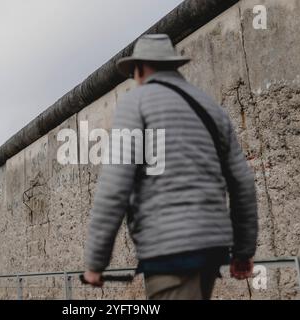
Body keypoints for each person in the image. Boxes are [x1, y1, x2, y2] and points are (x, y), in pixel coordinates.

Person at [83, 34, 258, 300]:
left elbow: (115, 186)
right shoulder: (211, 108)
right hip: (213, 249)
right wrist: (243, 251)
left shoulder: (136, 102)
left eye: (133, 73)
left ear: (140, 68)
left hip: (169, 251)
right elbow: (242, 183)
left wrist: (95, 263)